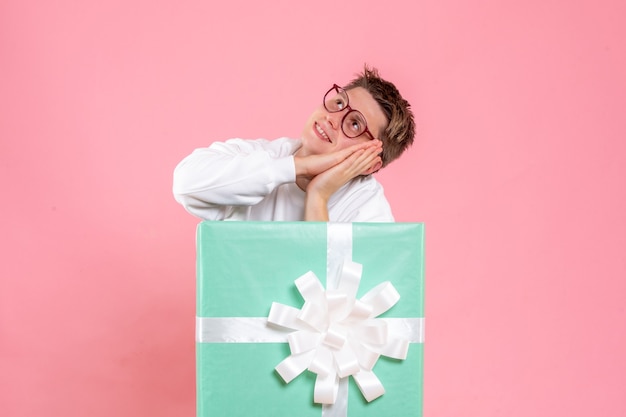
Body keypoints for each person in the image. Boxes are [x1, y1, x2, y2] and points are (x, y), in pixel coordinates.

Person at [172, 65, 415, 222]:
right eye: (339, 103)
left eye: (354, 124)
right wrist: (297, 167)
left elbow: (332, 295)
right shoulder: (261, 155)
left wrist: (318, 196)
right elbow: (185, 185)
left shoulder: (369, 209)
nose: (332, 118)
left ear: (371, 164)